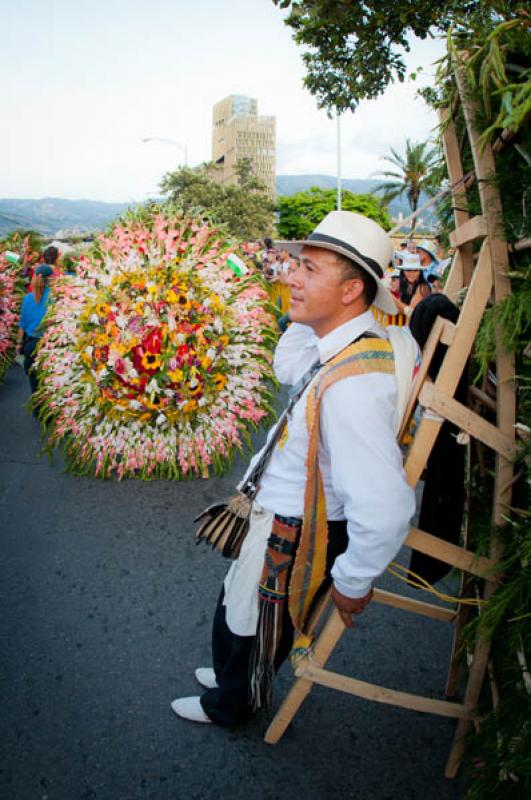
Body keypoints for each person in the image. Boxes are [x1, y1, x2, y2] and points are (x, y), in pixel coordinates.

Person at [171, 211, 416, 727]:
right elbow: (287, 369)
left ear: (352, 291)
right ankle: (230, 679)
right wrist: (302, 317)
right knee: (237, 605)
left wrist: (353, 580)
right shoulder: (351, 340)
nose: (290, 277)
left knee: (250, 623)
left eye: (308, 269)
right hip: (279, 508)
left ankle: (232, 705)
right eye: (295, 265)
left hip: (297, 525)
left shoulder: (353, 386)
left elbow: (387, 506)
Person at [16, 264, 53, 394]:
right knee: (48, 381)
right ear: (49, 279)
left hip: (30, 345)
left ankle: (37, 411)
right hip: (48, 345)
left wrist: (19, 344)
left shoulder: (27, 298)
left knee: (34, 382)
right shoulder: (53, 297)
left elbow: (23, 324)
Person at [393, 252, 431, 321]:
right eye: (408, 270)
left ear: (420, 271)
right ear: (403, 271)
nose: (412, 274)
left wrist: (393, 300)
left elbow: (411, 313)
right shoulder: (405, 284)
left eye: (415, 270)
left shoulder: (423, 288)